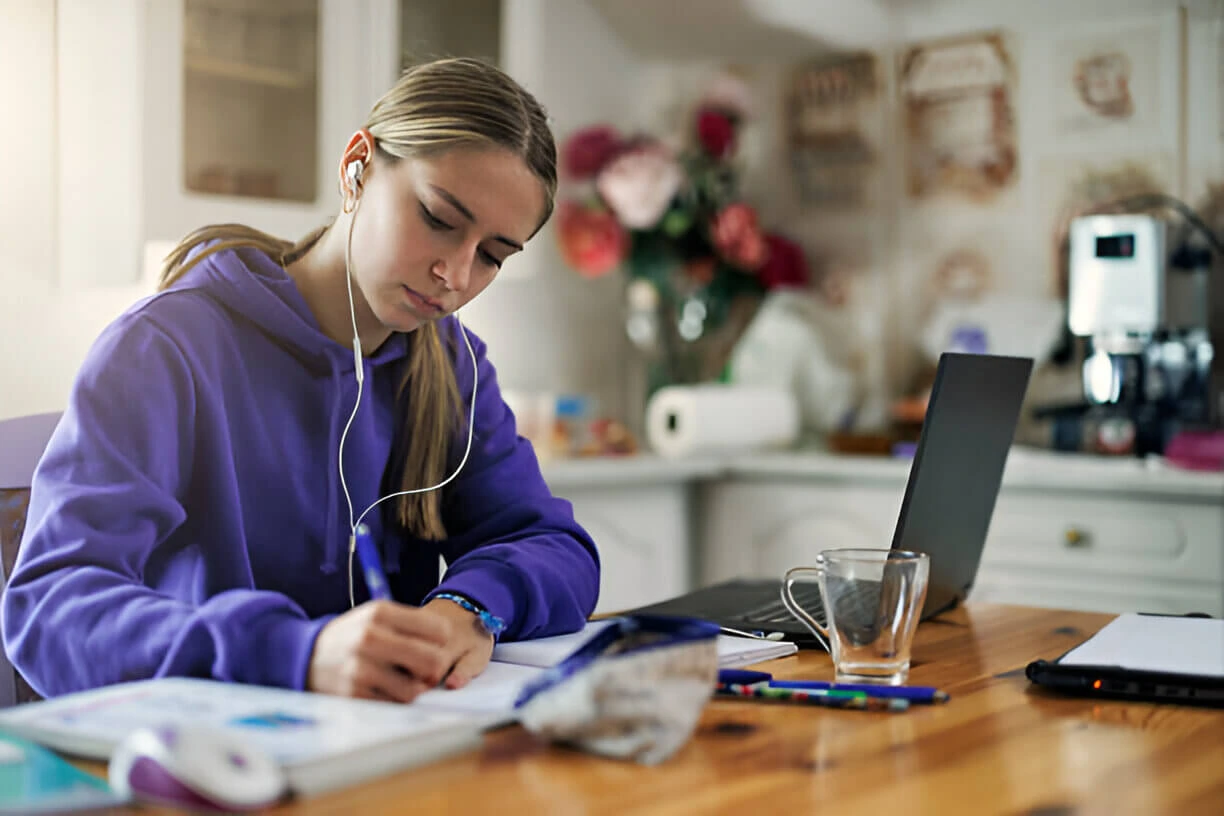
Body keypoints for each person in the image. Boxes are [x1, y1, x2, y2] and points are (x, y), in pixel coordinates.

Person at [1, 58, 600, 703]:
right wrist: (297, 654)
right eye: (437, 218)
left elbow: (553, 546)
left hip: (381, 752)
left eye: (490, 256)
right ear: (358, 167)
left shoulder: (454, 366)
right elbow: (49, 606)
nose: (454, 274)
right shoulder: (166, 348)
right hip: (205, 759)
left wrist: (468, 607)